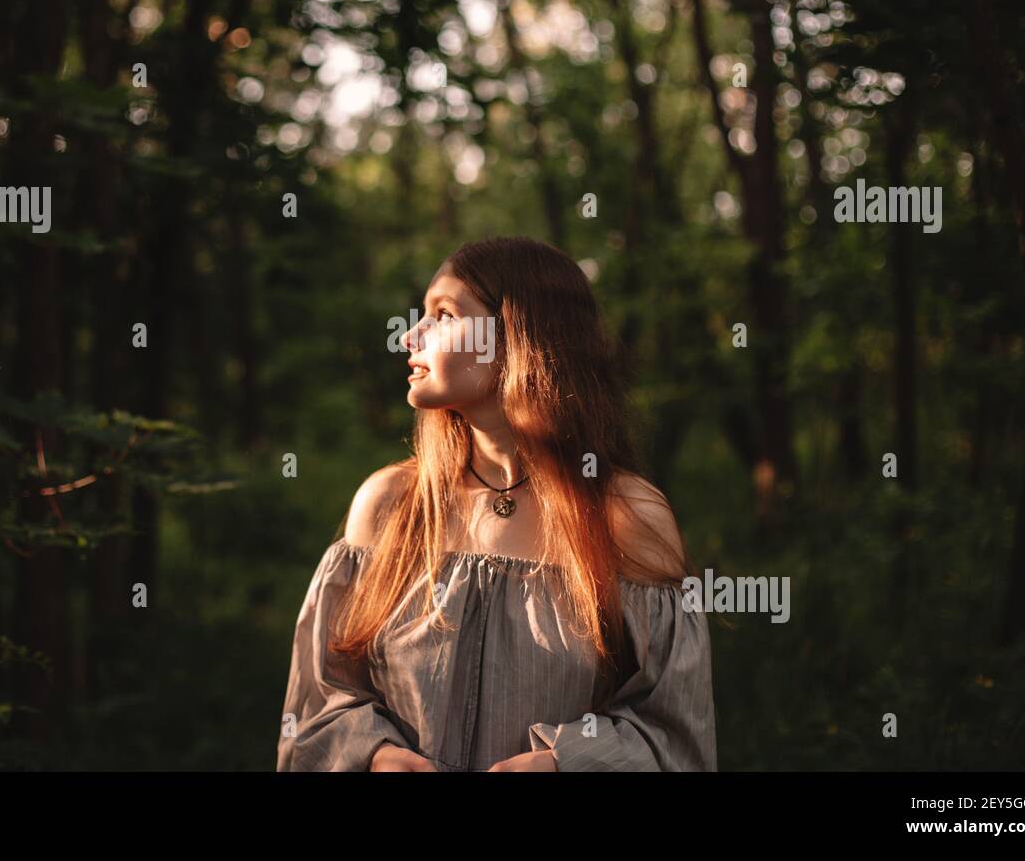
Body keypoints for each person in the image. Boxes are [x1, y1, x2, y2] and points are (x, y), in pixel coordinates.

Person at [276, 236, 717, 771]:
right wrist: (376, 755)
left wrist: (563, 764)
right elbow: (318, 703)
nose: (410, 337)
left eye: (443, 315)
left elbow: (673, 733)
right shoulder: (390, 506)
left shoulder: (625, 517)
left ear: (516, 336)